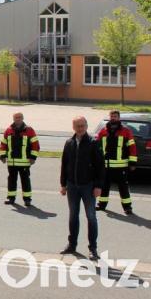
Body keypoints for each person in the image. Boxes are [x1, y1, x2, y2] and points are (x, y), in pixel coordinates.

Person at [60, 116, 105, 261]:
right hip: (72, 185)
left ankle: (93, 249)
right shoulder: (69, 143)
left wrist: (98, 186)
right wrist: (63, 184)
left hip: (88, 186)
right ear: (73, 127)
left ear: (86, 126)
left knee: (91, 217)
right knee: (73, 216)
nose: (80, 128)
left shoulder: (94, 143)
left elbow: (100, 166)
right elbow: (64, 165)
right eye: (77, 126)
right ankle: (72, 245)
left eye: (82, 125)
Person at [94, 110, 137, 214]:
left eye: (115, 116)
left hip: (121, 166)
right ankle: (102, 205)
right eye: (112, 116)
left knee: (123, 188)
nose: (113, 118)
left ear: (119, 118)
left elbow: (132, 147)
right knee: (104, 186)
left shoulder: (126, 131)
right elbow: (97, 146)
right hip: (106, 165)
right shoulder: (103, 131)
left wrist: (132, 162)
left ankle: (127, 207)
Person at [0, 112, 40, 206]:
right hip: (12, 162)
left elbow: (35, 145)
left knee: (25, 181)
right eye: (16, 117)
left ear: (23, 118)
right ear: (13, 119)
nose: (18, 119)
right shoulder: (8, 130)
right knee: (11, 180)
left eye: (19, 117)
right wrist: (3, 155)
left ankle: (27, 199)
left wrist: (33, 157)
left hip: (24, 162)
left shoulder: (29, 130)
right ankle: (10, 197)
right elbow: (3, 144)